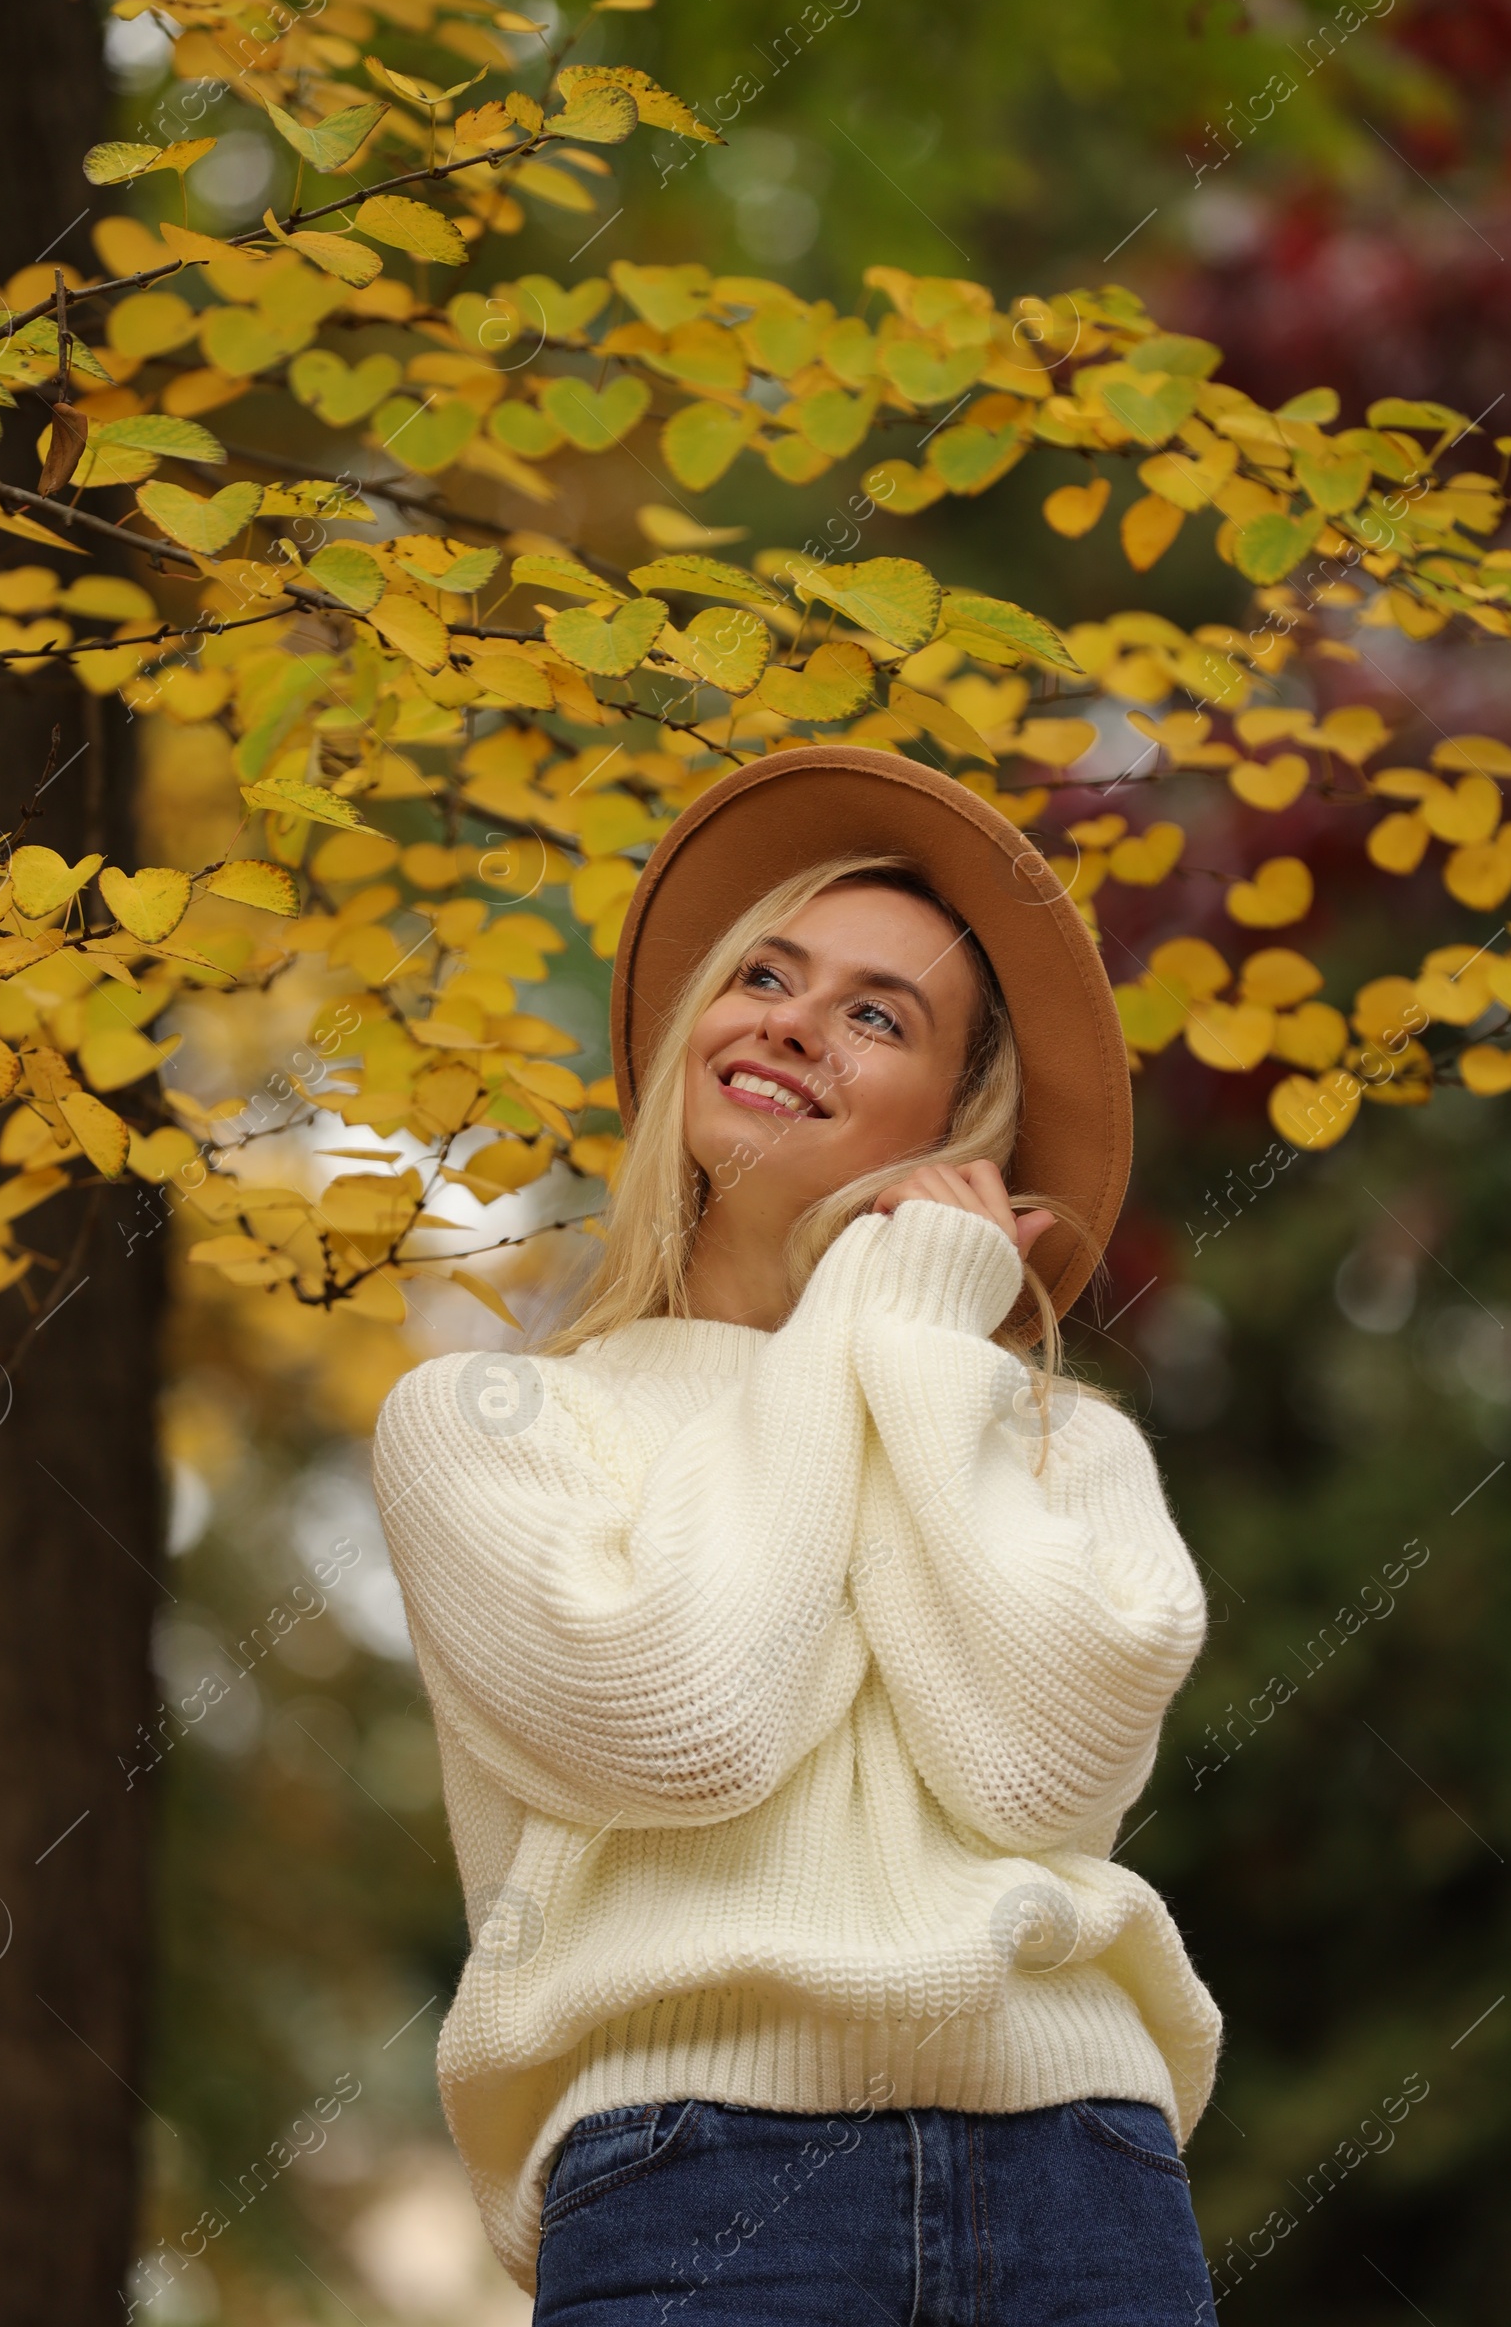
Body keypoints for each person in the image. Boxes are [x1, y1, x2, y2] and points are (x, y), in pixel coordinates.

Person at [373, 746, 1222, 2323]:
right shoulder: (492, 1428)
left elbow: (1033, 1777)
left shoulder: (1061, 1446)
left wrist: (909, 1339)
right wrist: (865, 1318)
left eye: (876, 1016)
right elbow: (686, 1724)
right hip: (696, 2185)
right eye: (764, 973)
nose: (793, 1021)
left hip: (1086, 2183)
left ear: (959, 1120)